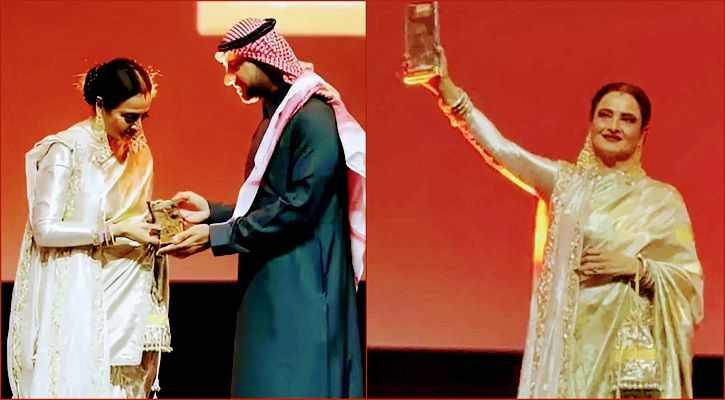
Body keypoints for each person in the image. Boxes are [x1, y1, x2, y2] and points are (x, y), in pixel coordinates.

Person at [414, 47, 703, 398]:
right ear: (591, 124)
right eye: (605, 115)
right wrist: (446, 89)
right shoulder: (565, 185)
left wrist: (638, 268)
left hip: (629, 364)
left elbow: (688, 282)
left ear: (643, 133)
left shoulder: (662, 200)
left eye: (627, 119)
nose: (613, 126)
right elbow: (501, 151)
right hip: (572, 354)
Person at [158, 18, 365, 397]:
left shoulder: (312, 117)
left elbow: (298, 208)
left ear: (262, 59)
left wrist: (216, 236)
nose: (229, 80)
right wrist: (214, 213)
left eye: (234, 67)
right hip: (273, 281)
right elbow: (270, 201)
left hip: (302, 284)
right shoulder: (280, 115)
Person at [7, 58, 171, 398]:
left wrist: (161, 221)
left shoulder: (139, 152)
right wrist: (115, 230)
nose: (138, 127)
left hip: (128, 290)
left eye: (144, 117)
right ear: (100, 105)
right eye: (129, 117)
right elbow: (44, 230)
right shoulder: (66, 150)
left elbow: (134, 214)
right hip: (80, 290)